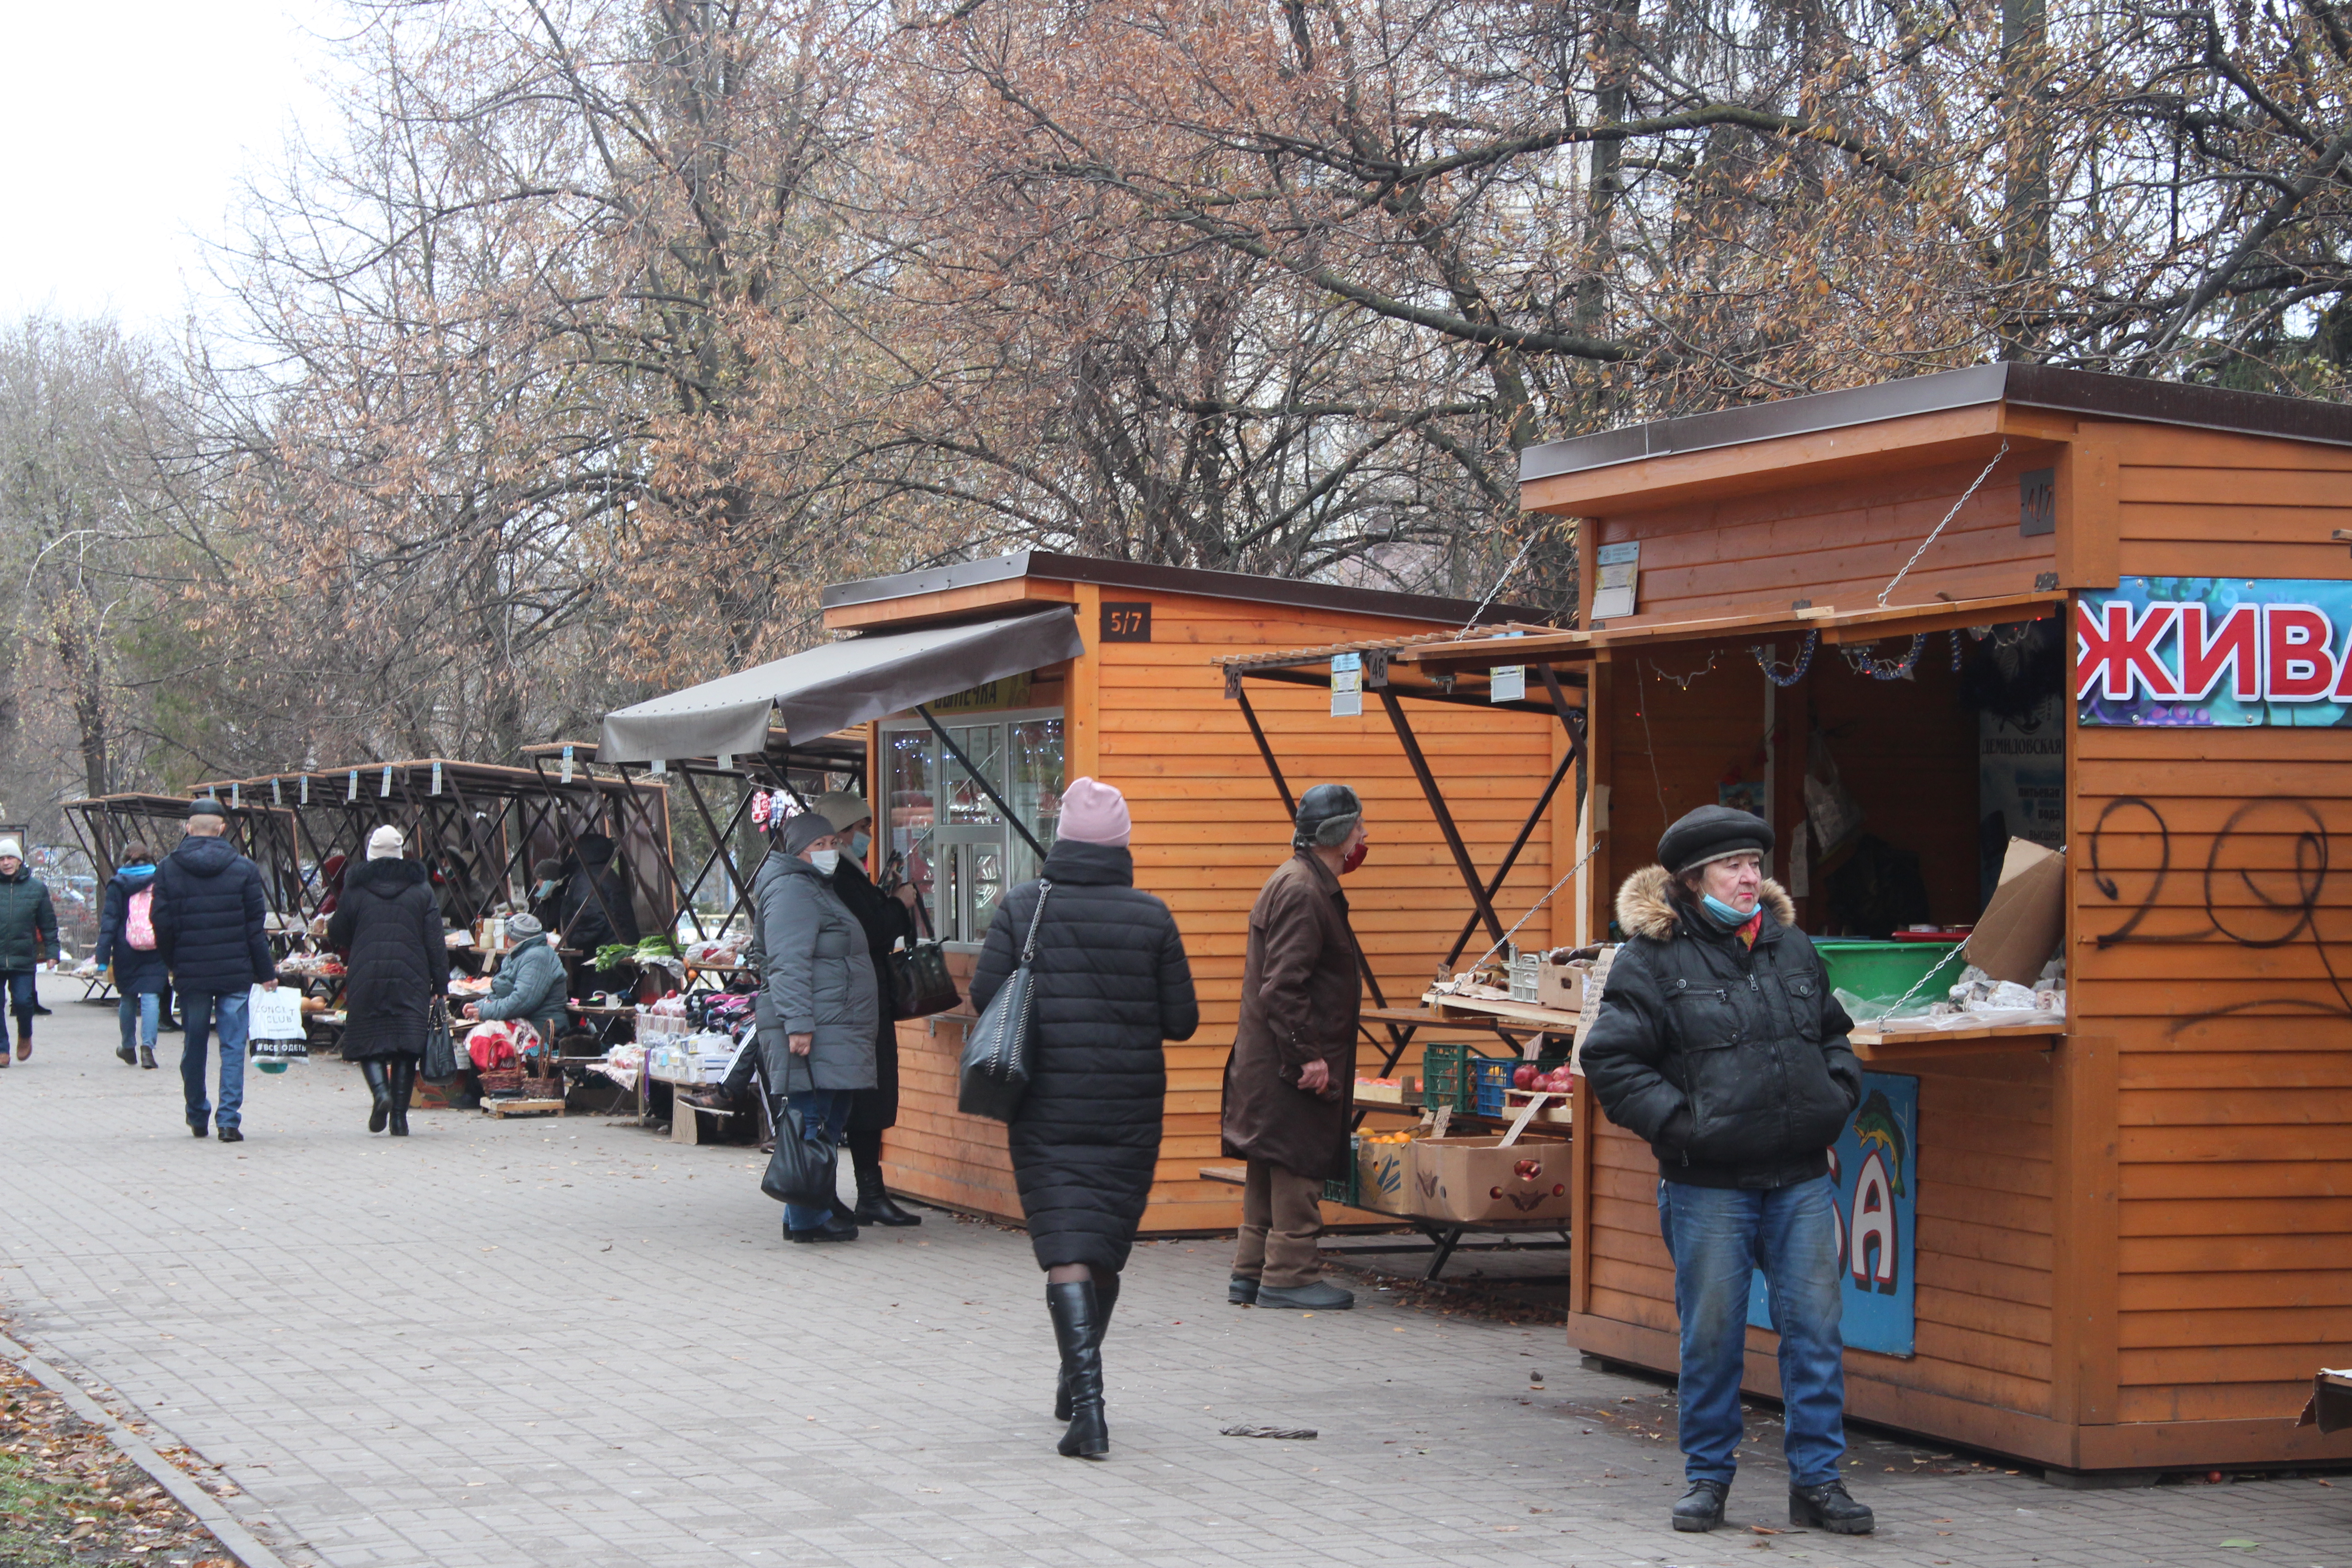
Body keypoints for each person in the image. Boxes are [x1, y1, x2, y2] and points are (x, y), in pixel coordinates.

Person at [1579, 804, 1872, 1537]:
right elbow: (1609, 1059)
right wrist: (1684, 1129)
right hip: (1705, 1186)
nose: (1749, 877)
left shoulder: (1790, 947)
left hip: (1799, 1178)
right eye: (1731, 866)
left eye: (1754, 863)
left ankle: (1818, 1482)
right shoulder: (1650, 958)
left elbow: (1834, 1035)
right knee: (1710, 1337)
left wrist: (1835, 1095)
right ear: (1690, 879)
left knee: (1814, 1332)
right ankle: (1705, 1480)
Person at [971, 777, 1198, 1461]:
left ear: (1062, 839)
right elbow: (1182, 1022)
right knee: (1101, 1245)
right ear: (1122, 846)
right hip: (1129, 1109)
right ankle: (1078, 1388)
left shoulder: (1021, 908)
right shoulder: (1153, 917)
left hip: (1044, 1106)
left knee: (1067, 1245)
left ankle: (1088, 1408)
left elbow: (986, 996)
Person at [1219, 783, 1368, 1311]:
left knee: (1270, 1164)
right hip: (1290, 1061)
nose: (1364, 836)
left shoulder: (1295, 880)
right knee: (1297, 1163)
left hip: (1268, 1059)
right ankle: (1291, 1274)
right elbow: (1285, 986)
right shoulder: (1305, 891)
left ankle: (1251, 1271)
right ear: (1336, 836)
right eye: (1357, 827)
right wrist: (1309, 1056)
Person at [753, 809, 877, 1243]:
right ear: (799, 851)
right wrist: (799, 1024)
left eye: (832, 844)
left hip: (833, 1021)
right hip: (817, 1024)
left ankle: (806, 1210)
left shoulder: (811, 886)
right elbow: (787, 962)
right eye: (820, 846)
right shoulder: (792, 890)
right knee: (813, 1118)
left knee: (823, 1116)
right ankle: (807, 1218)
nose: (830, 852)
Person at [811, 789, 923, 1227]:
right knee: (860, 1096)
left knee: (865, 1097)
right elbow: (871, 930)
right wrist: (899, 904)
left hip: (859, 999)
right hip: (856, 1003)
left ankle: (864, 1193)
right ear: (841, 833)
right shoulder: (837, 876)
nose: (869, 836)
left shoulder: (846, 873)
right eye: (863, 828)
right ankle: (860, 1194)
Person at [152, 799, 278, 1142]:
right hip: (235, 971)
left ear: (189, 828)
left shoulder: (167, 869)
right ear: (222, 828)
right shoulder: (244, 869)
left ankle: (197, 1114)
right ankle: (228, 1121)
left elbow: (160, 923)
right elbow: (256, 929)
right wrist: (265, 971)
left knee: (194, 1043)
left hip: (191, 972)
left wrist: (174, 963)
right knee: (233, 1046)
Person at [329, 826, 451, 1137]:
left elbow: (339, 933)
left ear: (371, 854)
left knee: (368, 1039)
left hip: (366, 974)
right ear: (401, 854)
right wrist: (441, 987)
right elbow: (435, 940)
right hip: (411, 976)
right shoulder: (421, 889)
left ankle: (380, 1094)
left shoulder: (355, 889)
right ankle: (399, 1118)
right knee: (406, 1046)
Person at [94, 841, 168, 1069]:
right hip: (156, 945)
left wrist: (103, 958)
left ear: (125, 860)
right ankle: (148, 1049)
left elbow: (109, 921)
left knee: (127, 997)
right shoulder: (160, 881)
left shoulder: (118, 884)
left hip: (125, 946)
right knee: (151, 996)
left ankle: (128, 1046)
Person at [465, 910, 565, 1046]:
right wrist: (479, 1005)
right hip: (521, 1020)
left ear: (510, 936)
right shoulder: (517, 955)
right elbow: (503, 991)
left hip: (540, 1030)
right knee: (469, 1030)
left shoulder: (537, 957)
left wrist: (485, 1011)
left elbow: (522, 1000)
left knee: (483, 1037)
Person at [0, 837, 59, 1067]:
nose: (6, 863)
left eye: (10, 858)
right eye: (2, 859)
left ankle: (25, 1035)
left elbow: (48, 923)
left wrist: (53, 951)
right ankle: (2, 1050)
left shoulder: (36, 889)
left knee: (24, 1002)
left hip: (23, 956)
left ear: (19, 860)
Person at [557, 831, 638, 953]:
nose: (570, 853)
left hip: (602, 953)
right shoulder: (604, 873)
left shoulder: (588, 878)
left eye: (572, 849)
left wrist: (570, 942)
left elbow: (592, 918)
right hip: (616, 948)